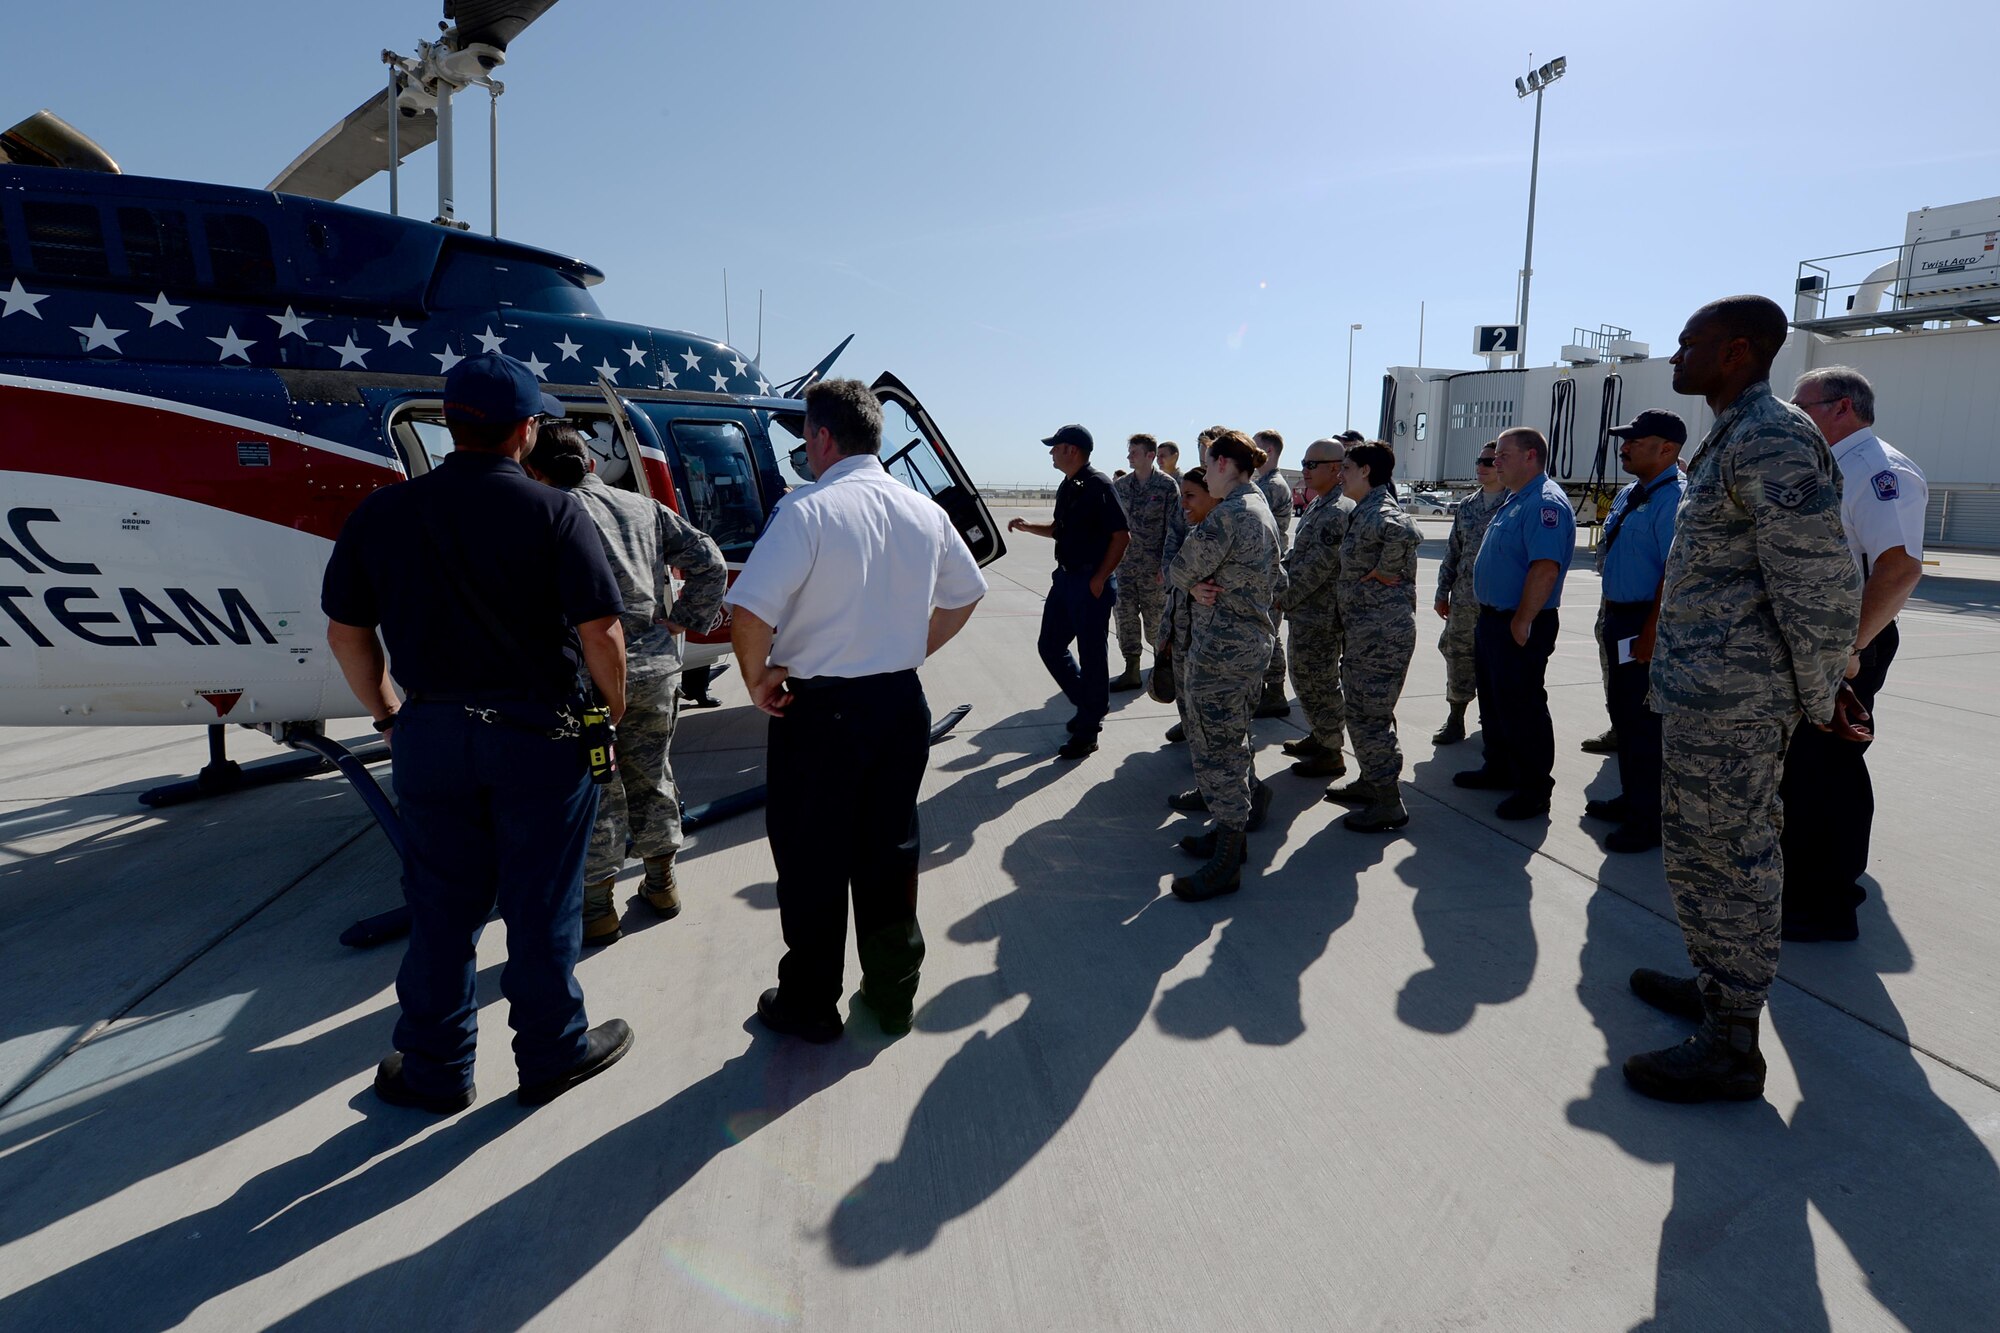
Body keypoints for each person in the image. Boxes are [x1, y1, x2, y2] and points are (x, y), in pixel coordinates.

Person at [321, 352, 633, 1113]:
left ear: (449, 424)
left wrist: (391, 711)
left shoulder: (381, 513)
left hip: (432, 733)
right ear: (526, 431)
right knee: (541, 902)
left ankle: (434, 1068)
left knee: (439, 906)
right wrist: (610, 711)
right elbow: (602, 633)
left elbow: (347, 634)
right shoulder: (555, 512)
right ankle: (552, 1052)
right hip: (539, 737)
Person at [1624, 295, 1861, 1103]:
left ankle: (1733, 1044)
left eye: (1689, 343)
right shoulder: (1730, 435)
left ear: (1736, 351)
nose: (1676, 355)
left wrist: (1826, 692)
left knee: (1734, 860)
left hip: (1739, 706)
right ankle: (1716, 983)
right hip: (1704, 694)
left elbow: (1821, 586)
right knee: (1696, 853)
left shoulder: (1770, 436)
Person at [725, 378, 987, 1042]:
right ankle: (892, 994)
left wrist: (759, 681)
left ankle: (811, 1001)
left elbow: (750, 611)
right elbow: (967, 591)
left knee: (813, 857)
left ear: (821, 436)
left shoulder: (809, 510)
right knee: (890, 850)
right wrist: (911, 649)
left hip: (823, 714)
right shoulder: (923, 510)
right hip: (899, 703)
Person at [522, 420, 728, 943]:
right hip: (656, 671)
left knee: (598, 791)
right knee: (652, 776)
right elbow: (710, 560)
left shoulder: (544, 512)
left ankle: (597, 910)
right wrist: (684, 618)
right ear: (590, 463)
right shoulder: (641, 507)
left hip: (588, 676)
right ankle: (661, 885)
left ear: (534, 471)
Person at [1781, 366, 1927, 942]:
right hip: (1821, 638)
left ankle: (1826, 904)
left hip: (1845, 642)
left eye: (1803, 406)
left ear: (1842, 407)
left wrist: (1849, 648)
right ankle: (1818, 881)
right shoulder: (1833, 465)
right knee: (1806, 768)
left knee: (1826, 769)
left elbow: (1898, 568)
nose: (1794, 416)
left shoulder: (1878, 470)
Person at [1166, 431, 1283, 899]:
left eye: (1207, 463)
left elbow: (1179, 567)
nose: (1205, 471)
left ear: (1223, 464)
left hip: (1223, 651)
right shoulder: (1260, 508)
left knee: (1220, 751)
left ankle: (1228, 858)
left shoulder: (1230, 514)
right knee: (1229, 740)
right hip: (1243, 644)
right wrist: (1197, 586)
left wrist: (1191, 583)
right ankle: (1226, 835)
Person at [1453, 426, 1576, 819]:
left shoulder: (1545, 503)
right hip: (1492, 620)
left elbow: (1544, 568)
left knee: (1522, 708)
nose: (1494, 462)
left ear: (1530, 457)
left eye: (1503, 455)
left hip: (1519, 623)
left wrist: (1523, 621)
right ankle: (1500, 768)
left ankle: (1534, 789)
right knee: (1494, 702)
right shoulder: (1515, 500)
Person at [1583, 410, 1687, 854]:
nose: (1623, 447)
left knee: (1645, 723)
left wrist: (1651, 633)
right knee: (1625, 716)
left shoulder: (1676, 499)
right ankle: (1633, 798)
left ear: (1667, 449)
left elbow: (1674, 572)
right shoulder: (1631, 493)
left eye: (1634, 441)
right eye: (1624, 440)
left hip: (1648, 622)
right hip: (1620, 618)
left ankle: (1648, 820)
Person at [1007, 425, 1129, 759]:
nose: (1051, 452)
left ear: (1071, 450)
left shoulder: (1099, 485)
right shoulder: (1069, 485)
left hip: (1090, 581)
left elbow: (1121, 536)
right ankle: (1090, 706)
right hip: (1065, 580)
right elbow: (1061, 530)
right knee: (1049, 645)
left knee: (1092, 656)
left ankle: (1088, 731)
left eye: (1055, 447)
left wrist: (1101, 577)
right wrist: (1027, 526)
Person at [1322, 441, 1424, 831]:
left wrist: (1386, 569)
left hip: (1381, 635)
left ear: (1366, 471)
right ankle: (1371, 781)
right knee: (1366, 713)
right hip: (1366, 633)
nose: (1340, 474)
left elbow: (1405, 531)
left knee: (1369, 718)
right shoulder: (1362, 510)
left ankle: (1387, 802)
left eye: (1346, 467)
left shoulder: (1380, 510)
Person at [1277, 438, 1356, 782]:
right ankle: (1320, 735)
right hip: (1306, 612)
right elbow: (1298, 555)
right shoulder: (1318, 504)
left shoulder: (1338, 510)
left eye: (1313, 465)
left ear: (1336, 468)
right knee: (1305, 678)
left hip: (1321, 615)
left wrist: (1283, 596)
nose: (1306, 470)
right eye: (1305, 464)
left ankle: (1331, 752)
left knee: (1319, 681)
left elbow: (1317, 568)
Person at [1432, 441, 1507, 744]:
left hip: (1500, 601)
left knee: (1496, 662)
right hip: (1464, 600)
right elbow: (1453, 552)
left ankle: (1494, 719)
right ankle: (1455, 717)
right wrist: (1441, 592)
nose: (1481, 466)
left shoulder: (1515, 503)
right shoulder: (1467, 506)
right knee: (1458, 656)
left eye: (1488, 461)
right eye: (1479, 460)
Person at [1110, 433, 1182, 692]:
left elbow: (1174, 529)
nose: (1129, 457)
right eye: (1129, 452)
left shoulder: (1166, 486)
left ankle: (1162, 667)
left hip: (1154, 570)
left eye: (1134, 452)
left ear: (1150, 456)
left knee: (1156, 622)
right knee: (1125, 617)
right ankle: (1131, 669)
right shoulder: (1121, 486)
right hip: (1125, 566)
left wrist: (1166, 566)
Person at [1252, 428, 1296, 718]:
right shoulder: (1264, 482)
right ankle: (1272, 691)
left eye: (1256, 448)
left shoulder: (1271, 486)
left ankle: (1276, 691)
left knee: (1268, 632)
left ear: (1268, 451)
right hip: (1264, 567)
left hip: (1266, 569)